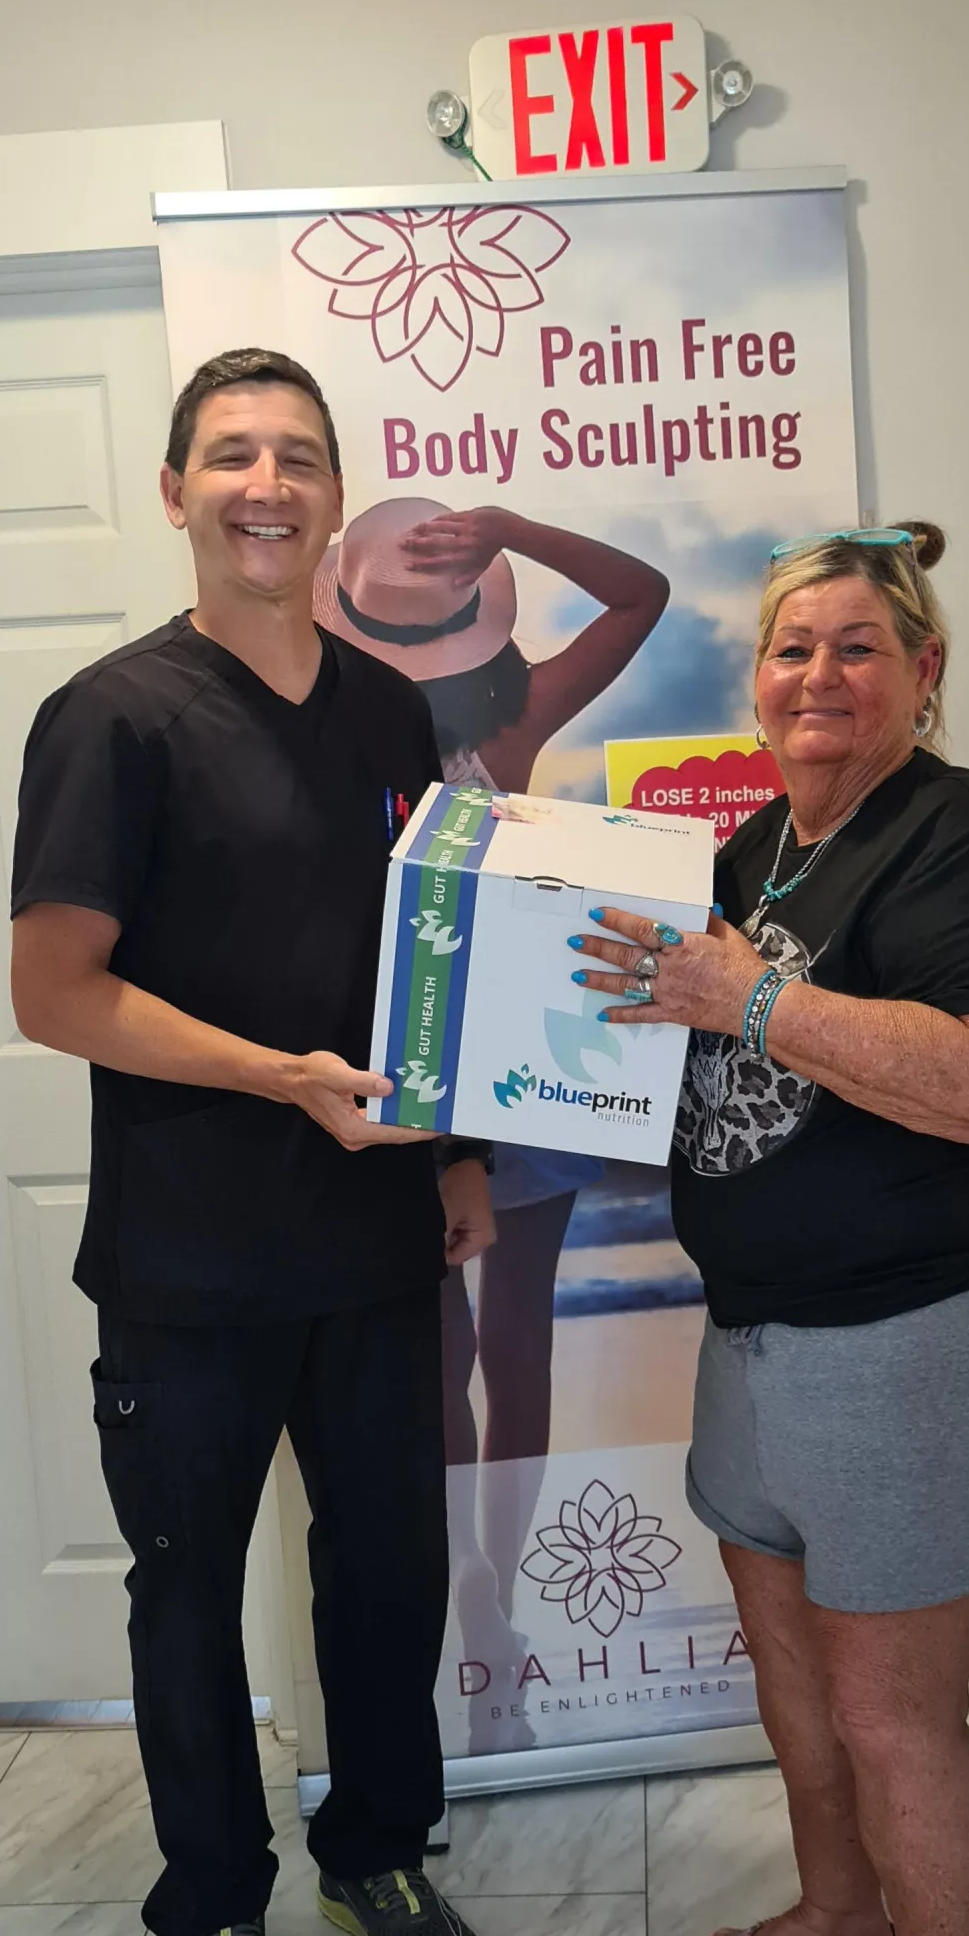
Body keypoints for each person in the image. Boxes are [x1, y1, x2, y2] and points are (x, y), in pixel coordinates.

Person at [567, 521, 969, 1936]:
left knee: (893, 1711)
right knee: (796, 1674)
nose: (818, 673)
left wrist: (746, 998)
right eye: (791, 646)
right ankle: (840, 1915)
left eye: (858, 644)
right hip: (759, 1334)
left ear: (924, 671)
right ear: (756, 680)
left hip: (928, 1329)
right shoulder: (750, 853)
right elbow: (679, 1044)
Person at [9, 347, 495, 1936]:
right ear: (176, 492)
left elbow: (425, 955)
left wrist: (456, 1152)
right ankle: (214, 1900)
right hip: (189, 1257)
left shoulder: (390, 712)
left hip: (373, 1243)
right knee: (186, 1595)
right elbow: (54, 992)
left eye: (297, 456)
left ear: (337, 495)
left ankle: (378, 1851)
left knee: (388, 1573)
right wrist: (278, 1076)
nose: (265, 486)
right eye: (230, 455)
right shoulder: (112, 717)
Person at [316, 499, 669, 1738]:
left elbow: (642, 595)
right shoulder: (483, 729)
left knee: (467, 1359)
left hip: (450, 1074)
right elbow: (641, 598)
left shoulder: (392, 736)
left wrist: (509, 523)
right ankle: (489, 1614)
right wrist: (512, 529)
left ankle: (480, 1599)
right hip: (457, 1078)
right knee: (499, 1356)